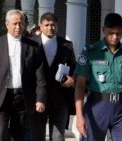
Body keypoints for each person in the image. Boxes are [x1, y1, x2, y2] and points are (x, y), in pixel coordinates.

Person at [0, 9, 47, 141]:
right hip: (0, 97)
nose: (18, 27)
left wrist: (40, 98)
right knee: (1, 132)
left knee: (18, 133)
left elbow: (40, 74)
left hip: (23, 97)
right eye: (14, 23)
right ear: (7, 24)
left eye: (21, 23)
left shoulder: (33, 46)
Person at [74, 13, 122, 141]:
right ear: (103, 30)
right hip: (96, 107)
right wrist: (79, 116)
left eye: (118, 33)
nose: (115, 37)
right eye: (111, 33)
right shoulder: (90, 52)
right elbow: (80, 85)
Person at [31, 12, 76, 141]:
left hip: (60, 97)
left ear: (57, 25)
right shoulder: (31, 44)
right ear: (40, 26)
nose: (50, 28)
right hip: (37, 97)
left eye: (53, 25)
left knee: (58, 137)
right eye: (47, 25)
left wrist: (72, 78)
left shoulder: (66, 45)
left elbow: (75, 67)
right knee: (37, 136)